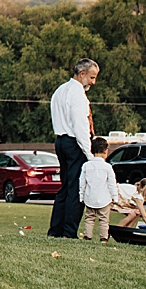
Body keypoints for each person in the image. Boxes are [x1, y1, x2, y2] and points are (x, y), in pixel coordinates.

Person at [47, 57, 99, 238]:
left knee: (64, 187)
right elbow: (81, 127)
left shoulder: (60, 90)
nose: (93, 82)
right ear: (82, 74)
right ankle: (69, 232)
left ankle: (55, 230)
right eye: (92, 78)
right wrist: (90, 155)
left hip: (60, 140)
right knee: (76, 190)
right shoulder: (78, 96)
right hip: (74, 143)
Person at [78, 136, 119, 241]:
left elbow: (82, 183)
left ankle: (88, 236)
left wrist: (81, 196)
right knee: (104, 220)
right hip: (104, 198)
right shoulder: (107, 167)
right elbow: (112, 183)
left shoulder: (86, 166)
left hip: (89, 197)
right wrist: (115, 197)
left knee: (89, 218)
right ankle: (104, 238)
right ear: (106, 151)